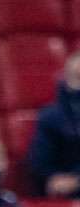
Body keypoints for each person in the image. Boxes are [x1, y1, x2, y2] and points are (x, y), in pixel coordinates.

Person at [28, 51, 80, 198]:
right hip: (66, 188)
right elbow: (40, 161)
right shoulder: (50, 117)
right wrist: (53, 177)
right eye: (76, 77)